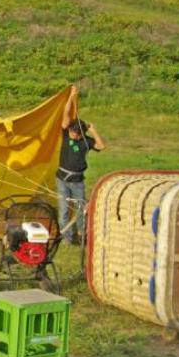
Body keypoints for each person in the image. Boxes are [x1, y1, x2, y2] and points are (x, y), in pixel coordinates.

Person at [57, 86, 105, 244]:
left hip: (77, 182)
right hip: (62, 179)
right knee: (63, 210)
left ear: (81, 133)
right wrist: (71, 96)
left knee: (80, 211)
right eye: (71, 131)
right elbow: (65, 115)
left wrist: (93, 130)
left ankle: (82, 237)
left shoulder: (86, 141)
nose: (72, 134)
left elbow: (101, 146)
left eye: (75, 133)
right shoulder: (66, 134)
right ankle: (66, 239)